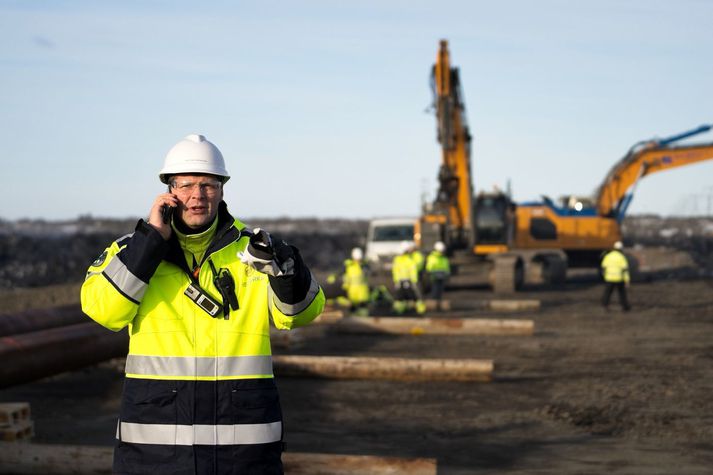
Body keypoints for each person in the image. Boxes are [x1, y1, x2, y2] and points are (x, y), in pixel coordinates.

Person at [81, 134, 325, 474]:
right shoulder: (133, 250)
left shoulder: (256, 251)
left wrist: (285, 270)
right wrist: (150, 244)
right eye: (186, 186)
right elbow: (103, 311)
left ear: (223, 189)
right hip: (155, 453)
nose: (197, 196)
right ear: (168, 191)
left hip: (242, 452)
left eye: (208, 185)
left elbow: (300, 315)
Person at [391, 241, 426, 315]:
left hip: (408, 281)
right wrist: (397, 281)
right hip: (401, 281)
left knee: (414, 296)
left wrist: (413, 281)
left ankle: (420, 310)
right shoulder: (399, 260)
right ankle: (399, 310)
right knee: (399, 297)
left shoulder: (409, 260)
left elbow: (412, 270)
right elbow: (396, 270)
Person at [600, 240, 631, 311]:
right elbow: (625, 270)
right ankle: (625, 307)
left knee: (608, 293)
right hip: (619, 278)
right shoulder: (621, 257)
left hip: (609, 278)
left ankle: (605, 305)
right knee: (622, 294)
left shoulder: (608, 256)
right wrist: (627, 280)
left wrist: (604, 276)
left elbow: (603, 267)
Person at [341, 247, 370, 314]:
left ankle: (363, 320)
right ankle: (353, 320)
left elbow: (368, 273)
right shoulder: (349, 266)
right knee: (353, 308)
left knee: (363, 308)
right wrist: (345, 287)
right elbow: (346, 278)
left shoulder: (364, 266)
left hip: (362, 291)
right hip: (353, 291)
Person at [426, 241, 451, 310]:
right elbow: (429, 268)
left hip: (442, 277)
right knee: (435, 290)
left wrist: (447, 274)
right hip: (435, 276)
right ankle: (434, 305)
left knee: (440, 290)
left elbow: (446, 267)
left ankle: (437, 304)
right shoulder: (433, 257)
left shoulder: (443, 258)